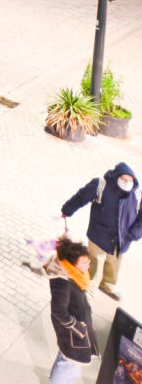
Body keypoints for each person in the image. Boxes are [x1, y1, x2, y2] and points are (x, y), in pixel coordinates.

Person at [61, 163, 142, 302]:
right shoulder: (100, 185)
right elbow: (81, 197)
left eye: (130, 180)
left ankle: (107, 285)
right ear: (117, 177)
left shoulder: (137, 193)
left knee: (113, 264)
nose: (127, 183)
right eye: (124, 179)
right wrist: (67, 210)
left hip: (122, 239)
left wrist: (134, 234)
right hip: (100, 235)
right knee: (95, 264)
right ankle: (88, 289)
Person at [44, 237, 98, 384]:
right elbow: (59, 312)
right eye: (84, 262)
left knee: (69, 362)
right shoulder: (62, 283)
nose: (88, 265)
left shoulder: (74, 274)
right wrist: (79, 328)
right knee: (67, 363)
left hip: (76, 336)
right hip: (74, 335)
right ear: (72, 264)